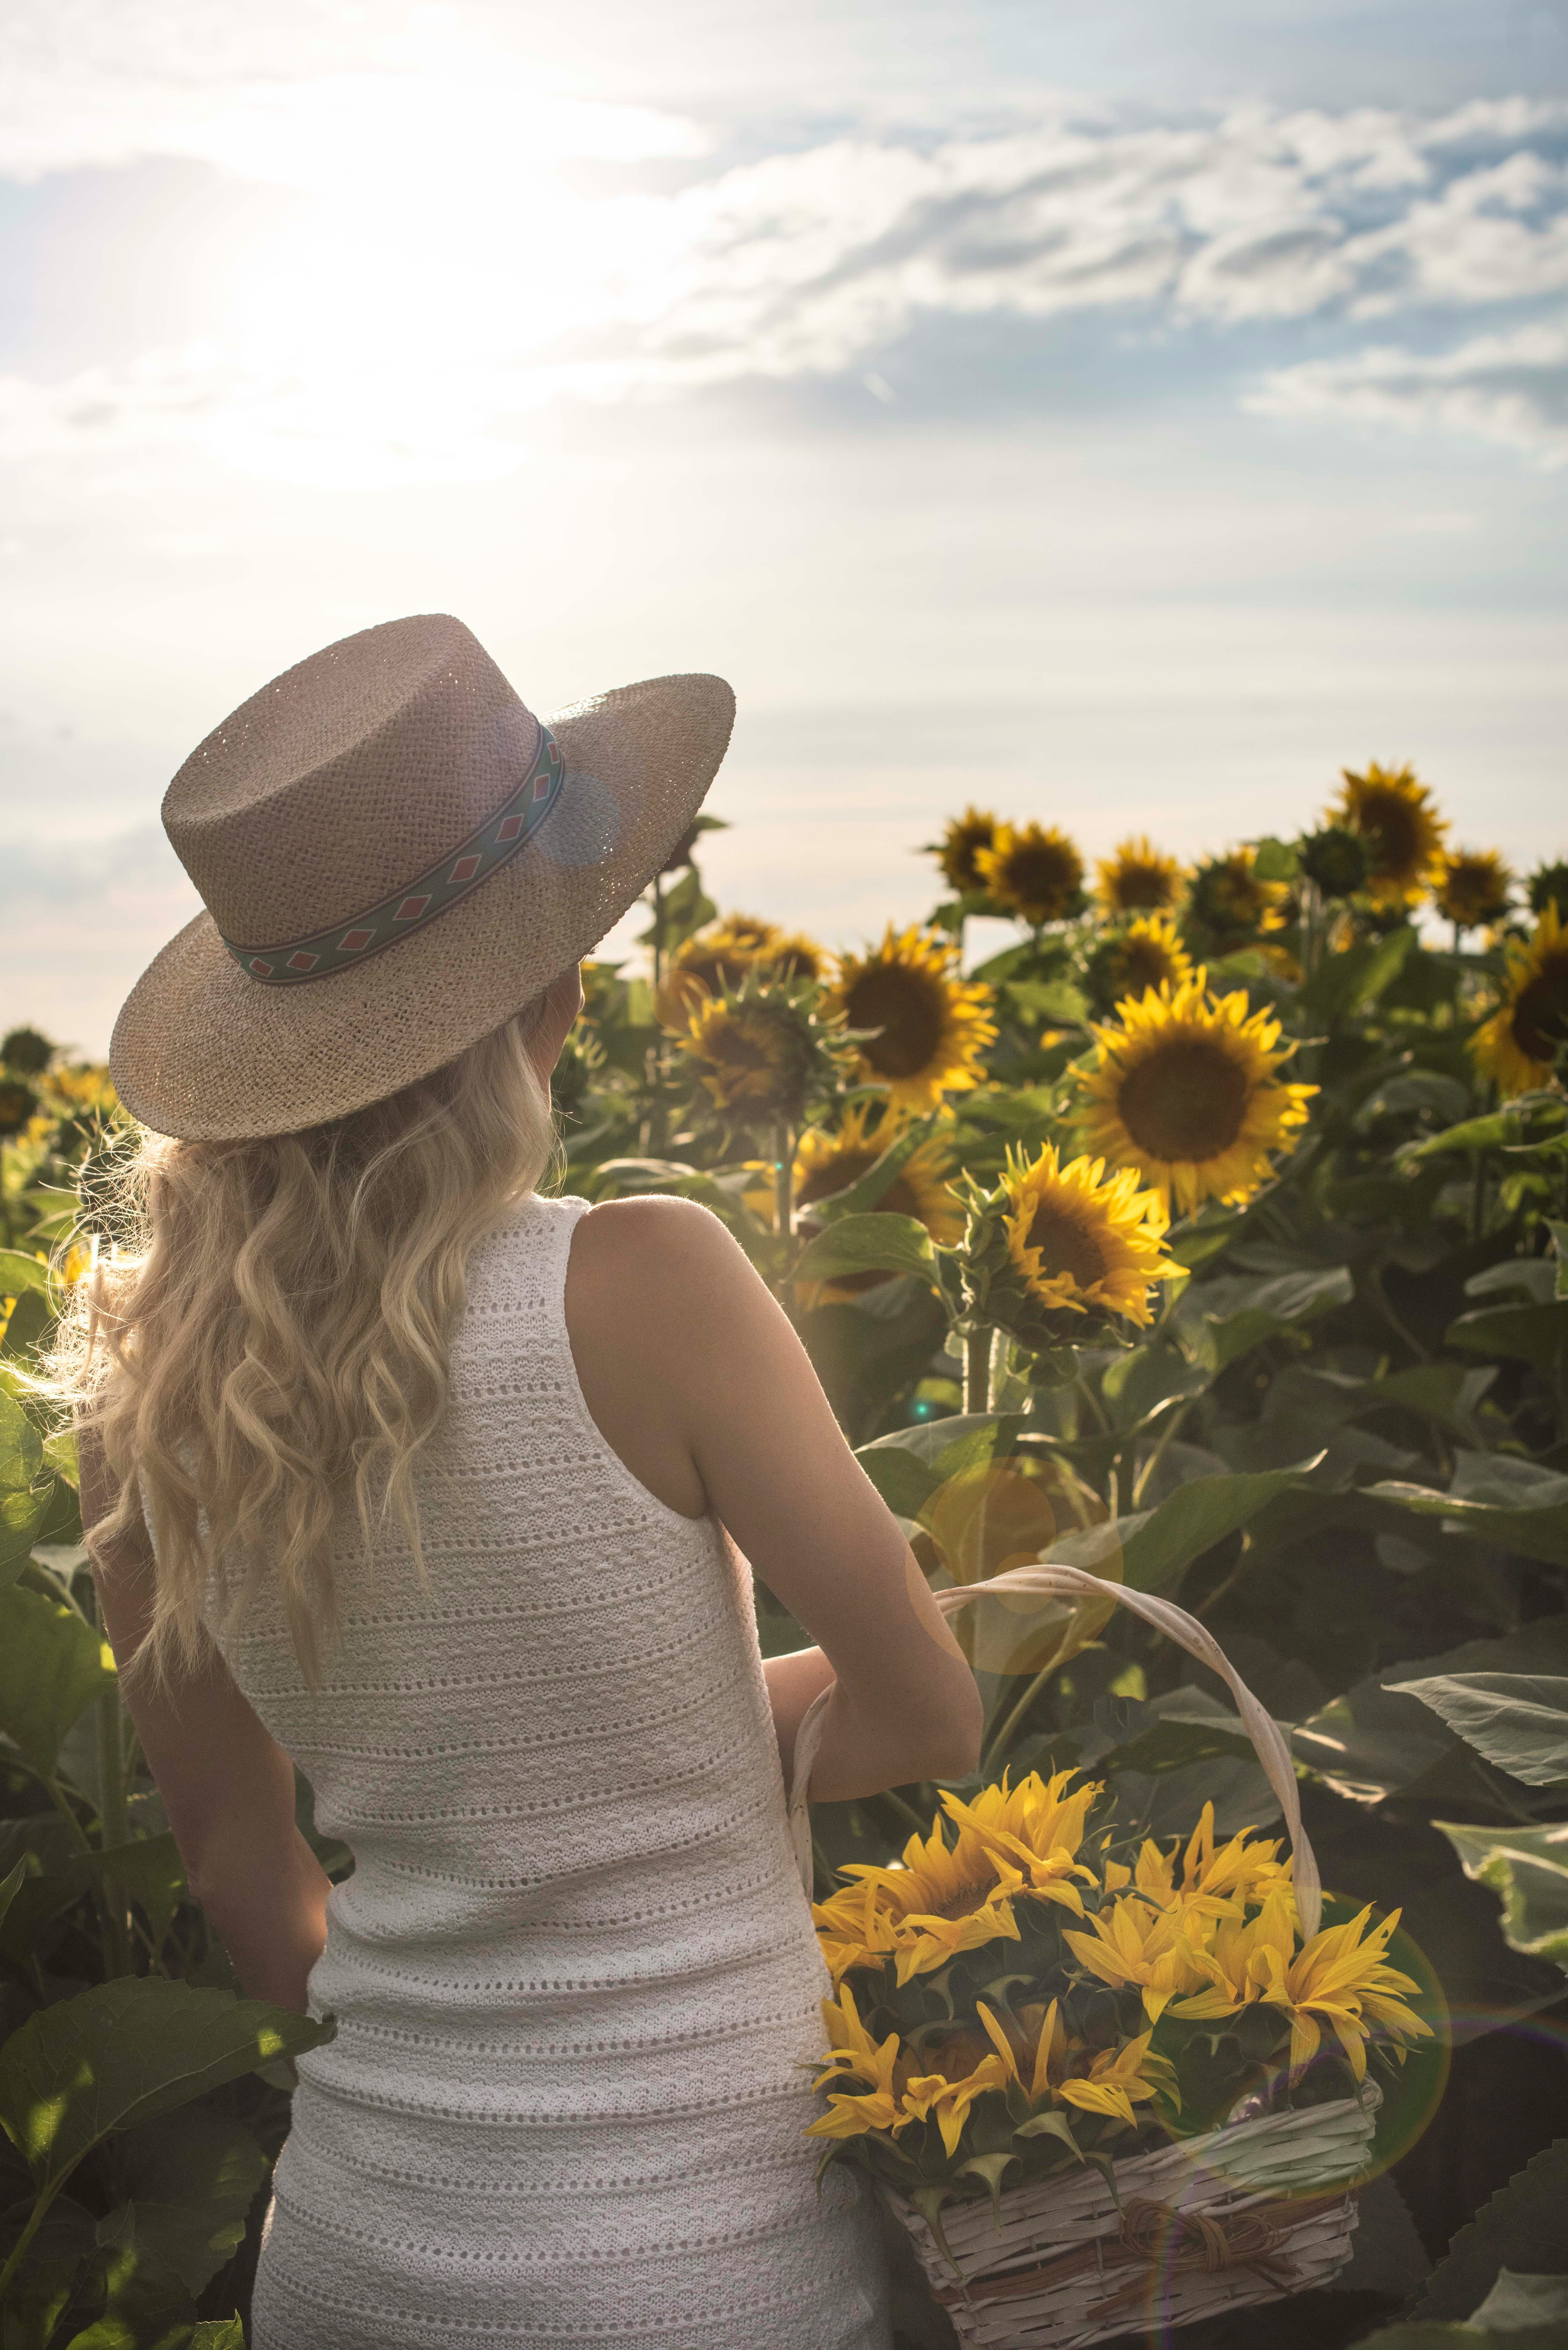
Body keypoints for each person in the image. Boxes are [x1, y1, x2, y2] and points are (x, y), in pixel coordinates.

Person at [53, 614, 983, 2350]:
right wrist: (683, 1744)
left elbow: (253, 1887)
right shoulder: (647, 1281)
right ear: (549, 995)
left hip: (353, 2253)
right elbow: (929, 1715)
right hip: (708, 2268)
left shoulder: (146, 1398)